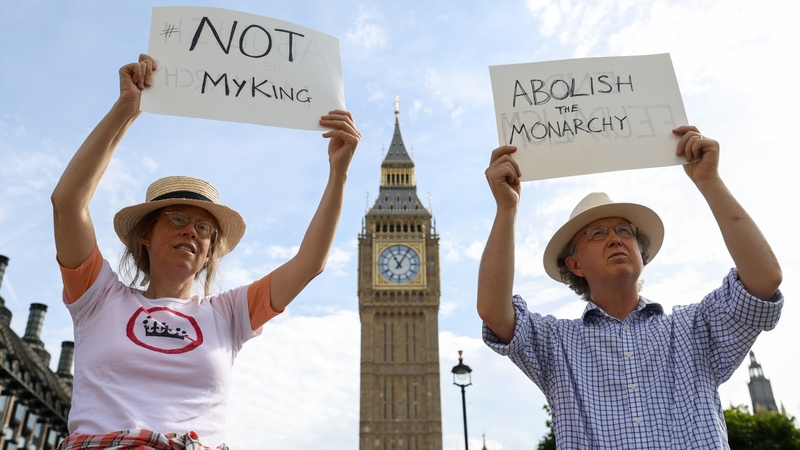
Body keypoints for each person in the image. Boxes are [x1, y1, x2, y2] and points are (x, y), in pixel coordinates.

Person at [51, 54, 360, 449]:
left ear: (211, 251)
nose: (191, 233)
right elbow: (68, 202)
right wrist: (125, 110)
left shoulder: (228, 315)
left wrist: (338, 173)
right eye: (177, 220)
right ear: (146, 234)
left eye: (204, 229)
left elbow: (309, 263)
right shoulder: (98, 297)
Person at [477, 127, 783, 449]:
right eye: (596, 233)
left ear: (641, 252)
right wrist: (506, 209)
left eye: (625, 230)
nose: (615, 238)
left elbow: (764, 279)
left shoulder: (694, 328)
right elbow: (494, 311)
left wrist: (709, 181)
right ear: (575, 265)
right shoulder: (556, 345)